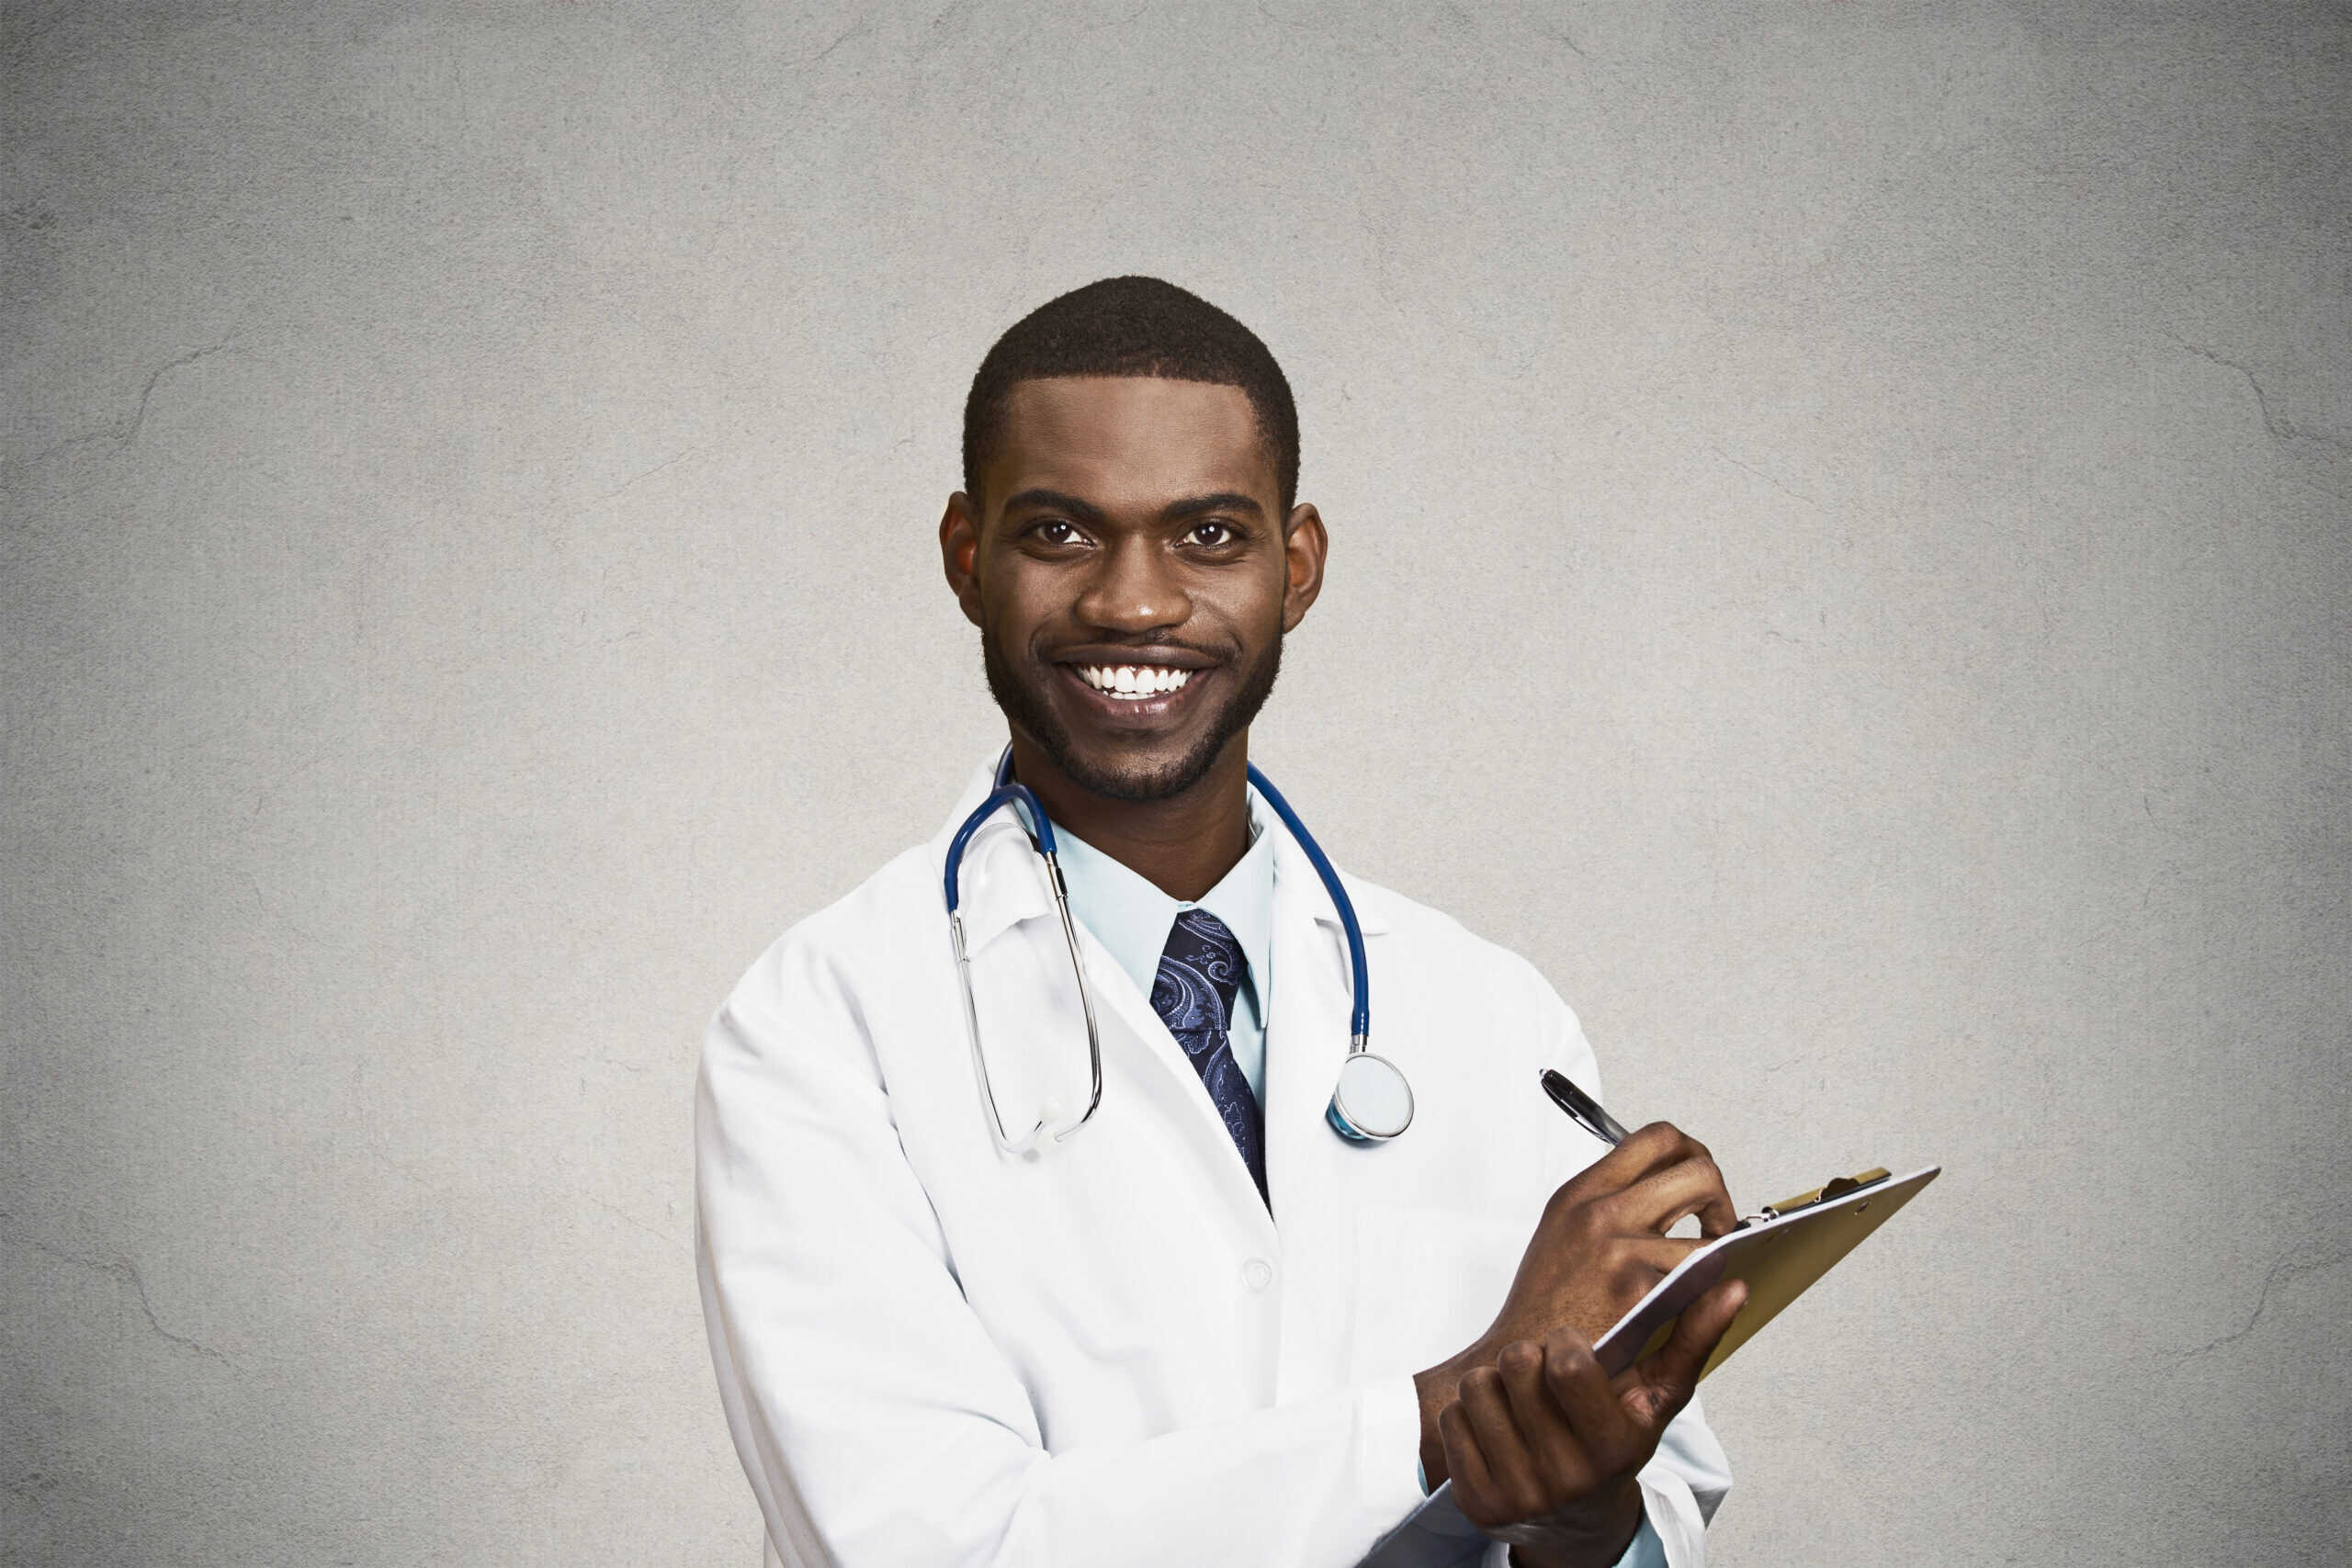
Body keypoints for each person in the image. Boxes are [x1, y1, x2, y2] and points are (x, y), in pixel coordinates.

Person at [695, 276, 1749, 1568]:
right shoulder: (819, 1027)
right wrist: (1437, 1421)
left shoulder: (1492, 1012)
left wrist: (1583, 1515)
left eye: (1206, 535)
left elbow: (1666, 1514)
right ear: (966, 558)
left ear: (1295, 567)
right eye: (1061, 533)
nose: (1134, 604)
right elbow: (926, 1546)